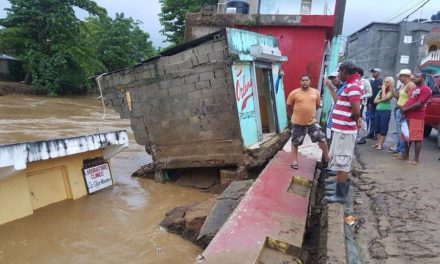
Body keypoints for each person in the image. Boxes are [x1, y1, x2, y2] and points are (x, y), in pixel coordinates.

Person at [325, 60, 363, 204]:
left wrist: (355, 120)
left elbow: (356, 111)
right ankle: (337, 189)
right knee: (339, 158)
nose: (338, 74)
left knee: (343, 161)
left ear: (346, 71)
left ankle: (340, 195)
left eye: (340, 71)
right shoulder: (350, 85)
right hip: (342, 130)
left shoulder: (353, 86)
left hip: (345, 131)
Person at [286, 75, 330, 170]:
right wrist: (292, 117)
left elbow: (317, 106)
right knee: (295, 142)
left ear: (310, 81)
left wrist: (310, 114)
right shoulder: (294, 93)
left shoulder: (316, 92)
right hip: (298, 123)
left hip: (312, 123)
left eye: (306, 80)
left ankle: (327, 158)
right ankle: (294, 160)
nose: (305, 82)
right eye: (303, 80)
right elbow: (288, 106)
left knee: (321, 138)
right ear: (300, 82)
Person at [400, 73, 432, 165]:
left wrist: (405, 109)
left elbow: (419, 104)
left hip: (417, 117)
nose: (414, 78)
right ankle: (405, 155)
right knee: (407, 136)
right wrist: (405, 112)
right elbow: (411, 100)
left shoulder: (426, 89)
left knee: (416, 138)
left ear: (422, 78)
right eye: (413, 77)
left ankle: (415, 159)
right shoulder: (415, 88)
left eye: (417, 77)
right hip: (408, 115)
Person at [390, 69, 415, 157]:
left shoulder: (410, 85)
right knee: (399, 130)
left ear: (406, 76)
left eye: (400, 76)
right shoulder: (404, 85)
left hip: (402, 110)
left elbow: (411, 100)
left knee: (402, 131)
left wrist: (404, 110)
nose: (399, 78)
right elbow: (399, 98)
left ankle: (402, 150)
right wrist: (392, 91)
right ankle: (399, 148)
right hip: (399, 109)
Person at [371, 76, 394, 150]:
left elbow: (385, 98)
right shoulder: (380, 91)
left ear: (391, 83)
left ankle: (381, 144)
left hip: (385, 111)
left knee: (383, 127)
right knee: (377, 127)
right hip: (378, 110)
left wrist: (383, 90)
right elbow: (375, 101)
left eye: (387, 82)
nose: (384, 83)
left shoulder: (391, 91)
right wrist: (381, 98)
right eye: (384, 82)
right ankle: (378, 142)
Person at [356, 68, 373, 144]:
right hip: (353, 104)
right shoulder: (352, 82)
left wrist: (362, 96)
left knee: (362, 120)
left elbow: (370, 93)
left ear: (360, 74)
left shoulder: (365, 82)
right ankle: (355, 136)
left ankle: (362, 137)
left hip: (362, 105)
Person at [366, 68, 383, 139]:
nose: (373, 74)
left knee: (377, 119)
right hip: (372, 104)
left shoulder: (382, 81)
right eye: (372, 72)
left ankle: (377, 134)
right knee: (372, 118)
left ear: (379, 73)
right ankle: (371, 133)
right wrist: (368, 103)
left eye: (375, 72)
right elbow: (370, 93)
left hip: (379, 103)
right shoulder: (372, 82)